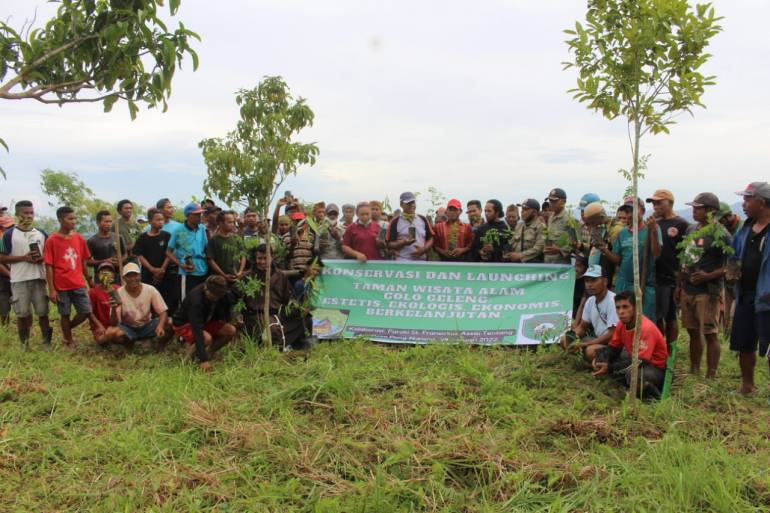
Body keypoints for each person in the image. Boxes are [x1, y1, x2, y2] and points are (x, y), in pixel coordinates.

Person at [679, 192, 731, 378]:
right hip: (688, 289)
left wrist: (708, 276)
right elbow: (684, 259)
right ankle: (694, 370)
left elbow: (730, 267)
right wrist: (680, 286)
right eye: (693, 208)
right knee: (692, 331)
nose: (694, 211)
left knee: (710, 333)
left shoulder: (721, 234)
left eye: (698, 208)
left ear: (711, 211)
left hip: (708, 292)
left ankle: (711, 375)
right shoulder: (691, 229)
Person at [728, 182, 770, 396]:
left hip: (767, 297)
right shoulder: (745, 228)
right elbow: (735, 256)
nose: (743, 204)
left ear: (761, 202)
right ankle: (747, 386)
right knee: (744, 343)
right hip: (745, 294)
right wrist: (733, 275)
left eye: (747, 199)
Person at [592, 291, 668, 399]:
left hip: (654, 367)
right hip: (636, 359)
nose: (621, 312)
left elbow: (640, 361)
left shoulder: (646, 329)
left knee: (633, 375)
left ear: (636, 308)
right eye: (618, 308)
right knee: (601, 354)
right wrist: (601, 359)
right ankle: (622, 386)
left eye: (625, 307)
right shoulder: (621, 325)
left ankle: (654, 397)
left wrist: (610, 368)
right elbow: (614, 349)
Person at [0, 201, 52, 348]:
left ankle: (46, 342)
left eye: (31, 213)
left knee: (43, 312)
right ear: (18, 215)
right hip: (19, 279)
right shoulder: (9, 235)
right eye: (25, 213)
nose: (29, 216)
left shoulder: (41, 233)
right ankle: (24, 344)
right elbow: (2, 257)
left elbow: (49, 255)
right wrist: (24, 258)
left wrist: (41, 258)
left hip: (38, 278)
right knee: (22, 314)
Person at [602, 197, 662, 319]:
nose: (630, 214)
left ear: (643, 211)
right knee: (624, 320)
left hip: (644, 285)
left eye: (633, 210)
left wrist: (654, 232)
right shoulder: (623, 233)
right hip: (624, 284)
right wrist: (605, 250)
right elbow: (618, 260)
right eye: (627, 211)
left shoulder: (652, 228)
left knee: (644, 322)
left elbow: (656, 254)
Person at [245, 244, 312, 349]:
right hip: (256, 315)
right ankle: (274, 348)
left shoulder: (280, 276)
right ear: (255, 258)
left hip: (277, 313)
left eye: (265, 258)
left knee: (304, 317)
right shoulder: (248, 276)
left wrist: (298, 307)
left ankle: (297, 343)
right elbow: (238, 298)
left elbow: (288, 299)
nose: (262, 262)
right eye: (259, 258)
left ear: (272, 257)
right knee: (272, 329)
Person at [44, 206, 93, 349]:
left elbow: (84, 261)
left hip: (78, 282)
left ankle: (67, 329)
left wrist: (89, 280)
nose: (73, 221)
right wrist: (51, 289)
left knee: (85, 311)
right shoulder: (52, 240)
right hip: (61, 284)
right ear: (60, 220)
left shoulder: (78, 238)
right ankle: (68, 340)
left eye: (74, 218)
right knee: (64, 313)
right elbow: (49, 266)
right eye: (70, 218)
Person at [646, 189, 689, 346]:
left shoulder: (681, 224)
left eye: (659, 202)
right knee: (656, 315)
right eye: (654, 203)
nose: (656, 206)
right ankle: (659, 346)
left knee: (670, 316)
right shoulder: (654, 224)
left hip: (671, 277)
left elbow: (685, 253)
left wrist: (680, 281)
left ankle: (671, 350)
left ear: (670, 203)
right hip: (654, 276)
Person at [172, 275, 237, 371]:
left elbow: (231, 304)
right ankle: (186, 361)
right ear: (206, 289)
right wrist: (204, 360)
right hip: (185, 324)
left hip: (205, 321)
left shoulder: (220, 293)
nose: (216, 298)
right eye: (214, 296)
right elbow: (197, 330)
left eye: (218, 296)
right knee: (206, 338)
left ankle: (209, 353)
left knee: (230, 330)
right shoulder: (196, 300)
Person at [107, 263, 172, 347]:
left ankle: (159, 346)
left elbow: (163, 312)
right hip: (128, 327)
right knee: (110, 333)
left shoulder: (150, 289)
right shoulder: (118, 293)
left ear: (140, 276)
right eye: (129, 276)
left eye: (135, 275)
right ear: (123, 278)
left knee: (169, 322)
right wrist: (113, 308)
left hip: (147, 325)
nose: (133, 279)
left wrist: (160, 326)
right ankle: (129, 343)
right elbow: (114, 323)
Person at [564, 265, 618, 362]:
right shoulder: (590, 301)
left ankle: (604, 365)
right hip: (598, 341)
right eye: (587, 281)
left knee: (590, 351)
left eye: (593, 280)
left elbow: (612, 334)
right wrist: (571, 338)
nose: (589, 284)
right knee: (564, 339)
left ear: (605, 281)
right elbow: (582, 327)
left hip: (613, 345)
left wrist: (586, 344)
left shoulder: (613, 301)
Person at [167, 203, 209, 299]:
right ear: (188, 216)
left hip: (202, 269)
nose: (199, 217)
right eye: (196, 215)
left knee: (201, 299)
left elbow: (206, 247)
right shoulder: (178, 230)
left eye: (200, 214)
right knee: (186, 299)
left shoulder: (202, 228)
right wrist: (180, 264)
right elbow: (168, 252)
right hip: (187, 271)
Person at [387, 192, 434, 261]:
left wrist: (424, 249)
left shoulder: (423, 219)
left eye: (413, 202)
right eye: (408, 203)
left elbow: (431, 238)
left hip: (421, 261)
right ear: (401, 204)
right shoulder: (395, 222)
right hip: (402, 261)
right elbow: (389, 244)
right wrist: (403, 243)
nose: (412, 205)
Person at [206, 210, 246, 284]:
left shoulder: (237, 238)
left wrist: (240, 271)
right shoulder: (214, 240)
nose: (233, 224)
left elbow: (243, 255)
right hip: (219, 279)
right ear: (221, 223)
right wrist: (223, 275)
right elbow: (210, 260)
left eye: (234, 222)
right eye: (230, 222)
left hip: (236, 277)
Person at [87, 210, 127, 283]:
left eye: (110, 221)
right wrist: (104, 261)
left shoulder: (118, 237)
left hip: (117, 276)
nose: (109, 224)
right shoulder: (92, 241)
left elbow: (125, 254)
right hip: (101, 278)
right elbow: (88, 262)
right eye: (106, 221)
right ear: (98, 223)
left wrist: (119, 262)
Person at [88, 261, 120, 345]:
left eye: (109, 272)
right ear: (99, 275)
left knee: (120, 338)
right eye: (103, 272)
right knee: (102, 340)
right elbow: (89, 312)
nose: (106, 274)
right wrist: (99, 326)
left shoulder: (119, 289)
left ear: (113, 275)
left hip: (116, 324)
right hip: (100, 326)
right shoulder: (93, 291)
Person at [506, 198, 546, 263]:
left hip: (532, 267)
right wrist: (508, 253)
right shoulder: (519, 225)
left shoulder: (541, 227)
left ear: (534, 212)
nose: (522, 212)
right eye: (522, 209)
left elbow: (539, 248)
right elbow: (512, 242)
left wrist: (520, 256)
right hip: (517, 265)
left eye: (526, 209)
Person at [282, 212, 317, 279]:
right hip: (293, 272)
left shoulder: (311, 236)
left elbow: (313, 255)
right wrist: (292, 245)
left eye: (301, 221)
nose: (299, 223)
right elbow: (285, 257)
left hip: (308, 272)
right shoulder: (286, 237)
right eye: (296, 221)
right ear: (292, 223)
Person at [544, 188, 574, 265]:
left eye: (554, 201)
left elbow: (576, 243)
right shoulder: (550, 218)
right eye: (550, 201)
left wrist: (560, 250)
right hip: (548, 262)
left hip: (561, 265)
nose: (551, 203)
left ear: (564, 202)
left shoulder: (570, 219)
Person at [0, 214, 13, 326]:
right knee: (4, 302)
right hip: (4, 277)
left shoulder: (12, 237)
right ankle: (5, 327)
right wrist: (10, 274)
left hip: (15, 273)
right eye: (5, 227)